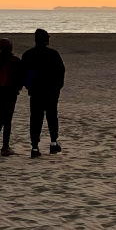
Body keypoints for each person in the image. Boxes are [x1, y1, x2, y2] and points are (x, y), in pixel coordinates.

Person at [22, 28, 66, 158]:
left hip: (36, 92)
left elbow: (23, 73)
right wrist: (58, 87)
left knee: (36, 119)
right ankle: (53, 143)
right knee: (52, 117)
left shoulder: (28, 54)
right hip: (51, 91)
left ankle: (35, 147)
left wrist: (28, 86)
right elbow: (61, 72)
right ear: (46, 40)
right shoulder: (53, 54)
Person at [0, 38, 23, 155]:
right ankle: (5, 146)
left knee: (1, 115)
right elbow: (21, 77)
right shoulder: (15, 60)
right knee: (8, 119)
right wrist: (18, 87)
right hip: (10, 92)